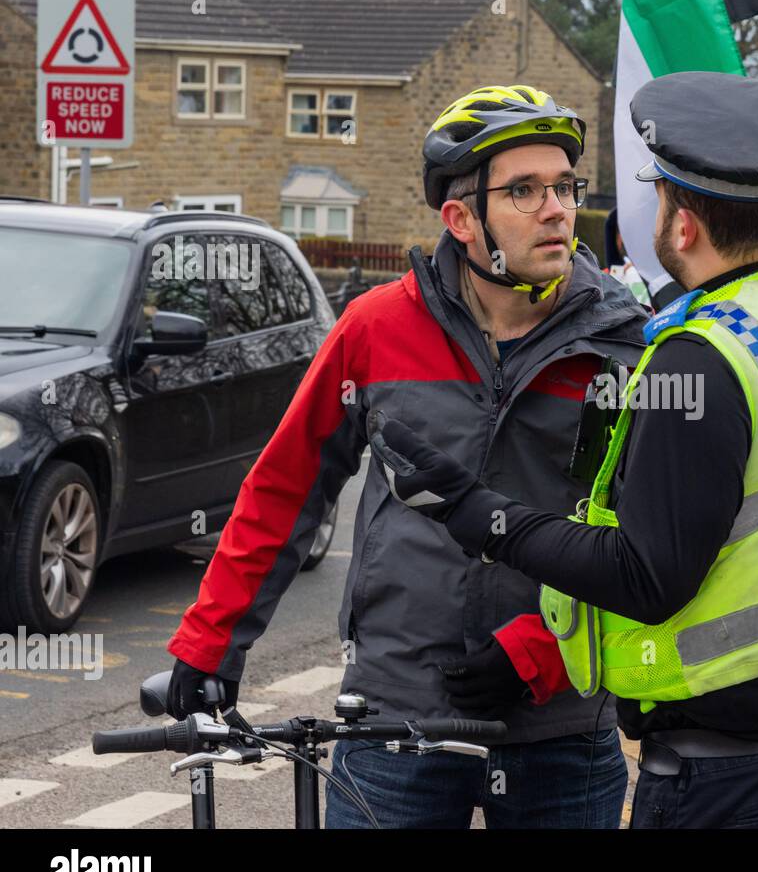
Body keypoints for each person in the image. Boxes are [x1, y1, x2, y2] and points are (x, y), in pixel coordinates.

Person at [367, 70, 758, 829]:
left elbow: (645, 574)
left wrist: (477, 513)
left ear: (682, 227)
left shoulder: (705, 357)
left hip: (739, 781)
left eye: (659, 195)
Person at [163, 84, 647, 828]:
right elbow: (287, 488)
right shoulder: (376, 328)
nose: (557, 208)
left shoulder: (625, 343)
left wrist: (540, 651)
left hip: (561, 727)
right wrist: (210, 644)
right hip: (394, 722)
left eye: (563, 185)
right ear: (460, 218)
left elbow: (648, 540)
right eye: (523, 190)